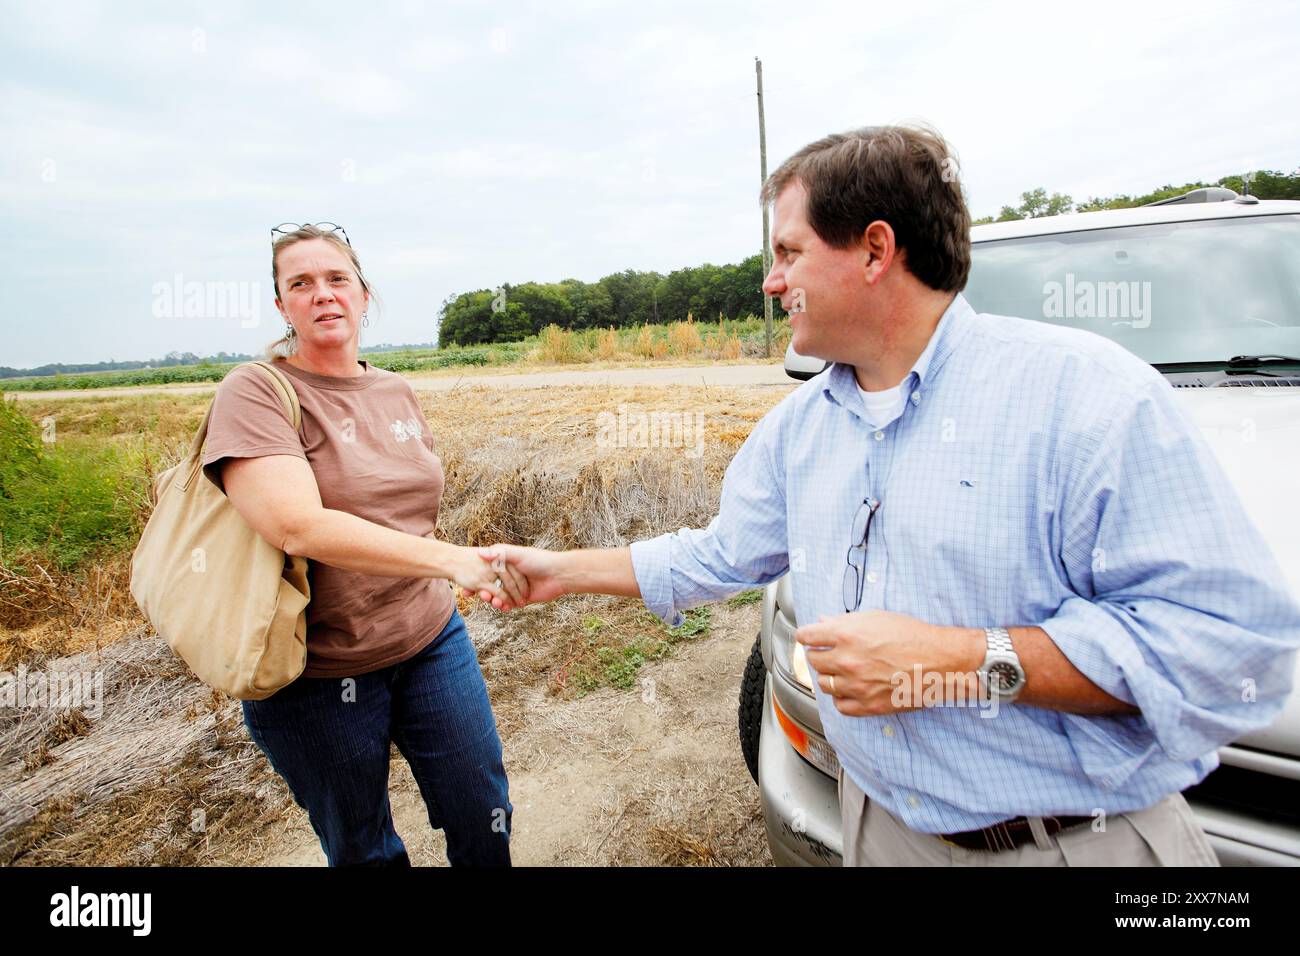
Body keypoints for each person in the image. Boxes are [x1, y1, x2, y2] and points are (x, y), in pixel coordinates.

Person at [476, 126, 1300, 866]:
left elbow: (1224, 647)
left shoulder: (1086, 398)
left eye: (789, 253)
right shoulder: (801, 428)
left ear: (875, 251)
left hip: (1075, 844)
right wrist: (559, 571)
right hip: (876, 830)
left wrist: (960, 661)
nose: (770, 281)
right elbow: (720, 553)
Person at [200, 222, 525, 866]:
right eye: (301, 283)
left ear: (363, 294)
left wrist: (444, 572)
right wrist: (455, 562)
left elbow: (411, 508)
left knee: (483, 814)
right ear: (281, 305)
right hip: (317, 674)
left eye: (336, 278)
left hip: (431, 639)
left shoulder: (394, 390)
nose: (322, 295)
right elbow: (297, 524)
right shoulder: (258, 391)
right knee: (365, 850)